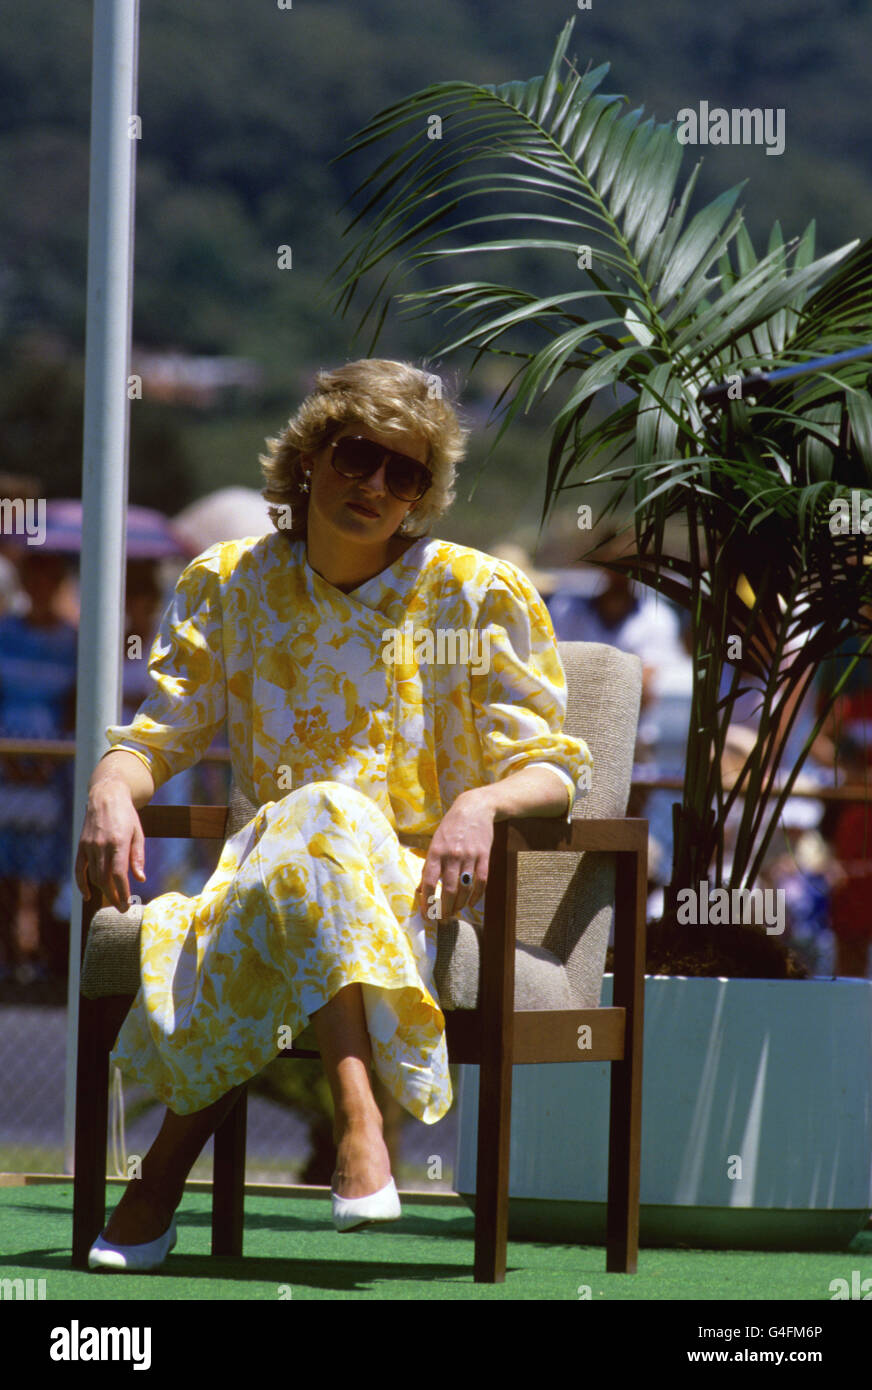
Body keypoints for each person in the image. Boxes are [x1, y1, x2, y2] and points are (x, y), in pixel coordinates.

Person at [76, 359, 592, 1270]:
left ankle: (161, 1183)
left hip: (424, 883)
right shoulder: (227, 582)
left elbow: (552, 768)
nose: (378, 487)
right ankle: (364, 1126)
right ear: (312, 456)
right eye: (360, 457)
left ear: (424, 494)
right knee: (306, 829)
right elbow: (155, 735)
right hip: (273, 873)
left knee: (317, 815)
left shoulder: (476, 592)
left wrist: (480, 800)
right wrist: (110, 789)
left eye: (407, 474)